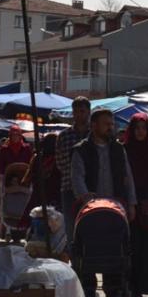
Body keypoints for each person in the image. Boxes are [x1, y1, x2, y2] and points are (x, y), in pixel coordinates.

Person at [71, 108, 138, 297]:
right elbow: (77, 178)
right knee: (88, 248)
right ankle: (89, 288)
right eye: (106, 124)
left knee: (115, 247)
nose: (111, 127)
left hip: (116, 209)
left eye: (112, 124)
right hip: (90, 210)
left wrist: (132, 203)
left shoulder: (118, 149)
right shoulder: (81, 149)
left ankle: (113, 289)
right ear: (94, 126)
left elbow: (128, 177)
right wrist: (84, 196)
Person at [123, 113, 148, 297]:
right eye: (137, 128)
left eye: (144, 128)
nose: (140, 132)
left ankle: (144, 284)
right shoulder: (124, 150)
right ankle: (130, 285)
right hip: (129, 201)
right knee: (133, 244)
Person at [56, 96, 91, 242]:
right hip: (69, 188)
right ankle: (74, 262)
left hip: (92, 188)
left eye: (82, 111)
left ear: (88, 112)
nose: (78, 115)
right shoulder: (64, 136)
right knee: (71, 230)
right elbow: (60, 163)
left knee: (90, 227)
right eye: (76, 111)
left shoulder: (94, 135)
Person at [22, 132, 62, 222]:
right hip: (55, 196)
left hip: (38, 196)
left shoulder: (37, 157)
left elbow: (28, 178)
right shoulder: (58, 158)